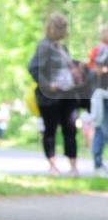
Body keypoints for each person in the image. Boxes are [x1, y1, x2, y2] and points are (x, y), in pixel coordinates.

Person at [30, 13, 81, 177]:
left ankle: (73, 166)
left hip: (68, 95)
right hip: (50, 97)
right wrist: (48, 84)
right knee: (50, 130)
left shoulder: (62, 47)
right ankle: (52, 166)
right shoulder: (44, 46)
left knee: (70, 129)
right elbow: (33, 68)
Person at [84, 24, 108, 176]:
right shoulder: (102, 50)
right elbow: (98, 70)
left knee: (102, 128)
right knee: (102, 129)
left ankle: (98, 163)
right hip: (103, 96)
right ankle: (97, 163)